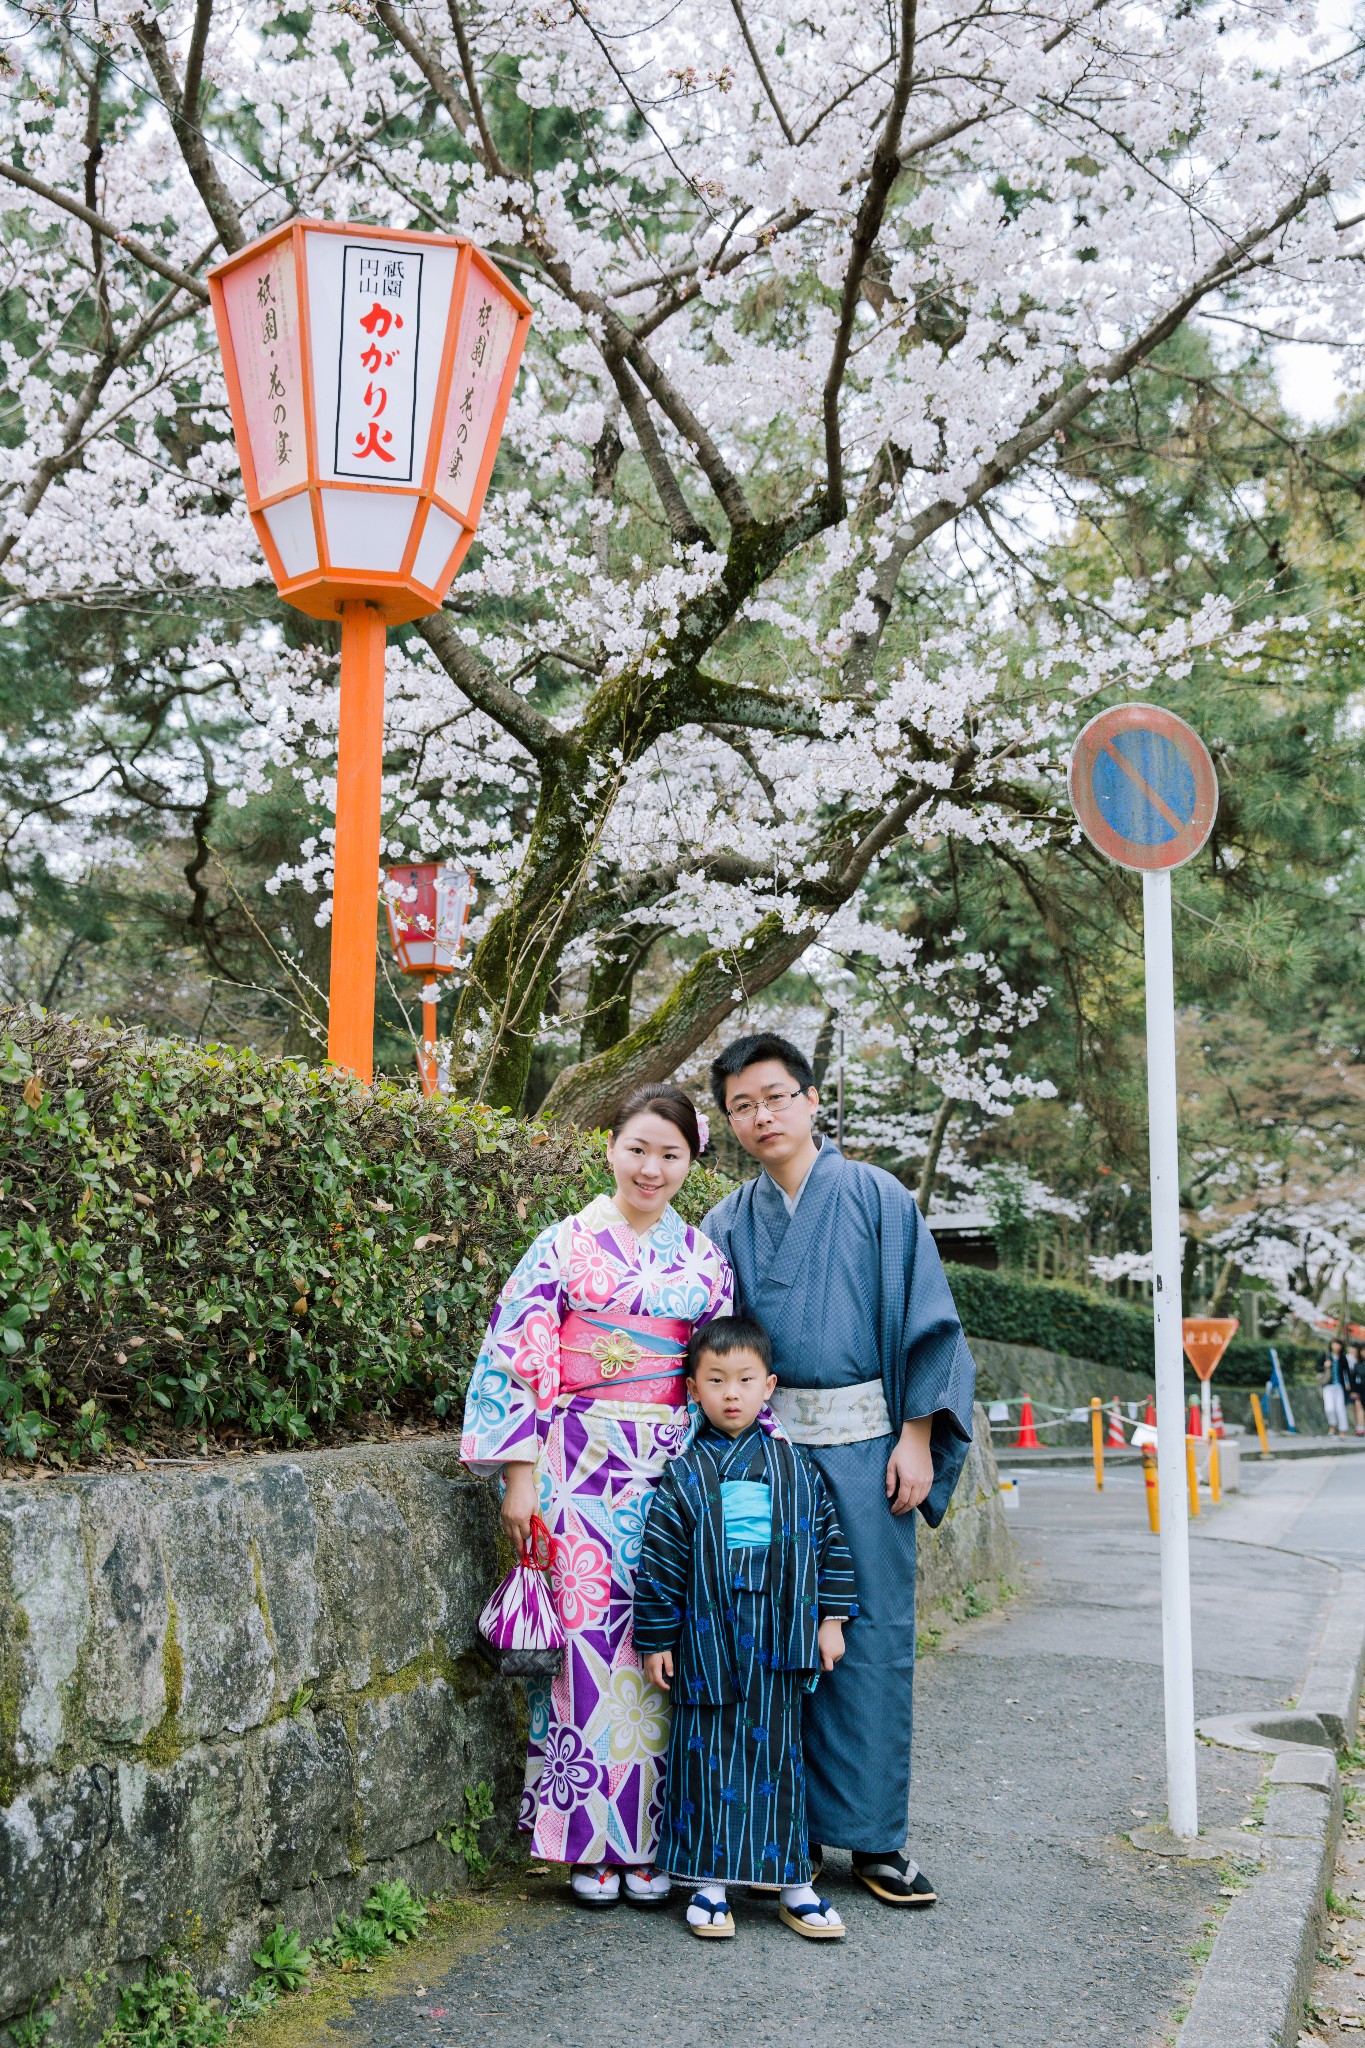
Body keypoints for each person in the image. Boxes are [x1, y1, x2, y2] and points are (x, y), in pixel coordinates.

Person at [702, 1032, 975, 1908]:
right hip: (759, 1462)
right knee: (760, 1635)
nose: (761, 1116)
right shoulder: (725, 1222)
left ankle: (871, 1840)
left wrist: (918, 1436)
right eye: (742, 1105)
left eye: (776, 1096)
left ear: (812, 1099)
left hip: (867, 1452)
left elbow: (931, 1326)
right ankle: (770, 1828)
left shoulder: (877, 1199)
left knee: (870, 1635)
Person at [461, 1083, 732, 1910]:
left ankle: (650, 1842)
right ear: (609, 1146)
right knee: (586, 1651)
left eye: (671, 1154)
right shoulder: (562, 1246)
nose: (651, 1168)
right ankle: (585, 1842)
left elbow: (719, 1374)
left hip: (670, 1470)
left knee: (661, 1649)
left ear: (691, 1162)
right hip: (574, 1464)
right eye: (638, 1148)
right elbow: (517, 1354)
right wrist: (520, 1474)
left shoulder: (705, 1262)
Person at [633, 1315, 858, 1941]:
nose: (731, 1393)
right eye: (716, 1380)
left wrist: (831, 1620)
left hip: (781, 1634)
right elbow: (660, 1561)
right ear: (694, 1388)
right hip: (706, 1634)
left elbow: (829, 1546)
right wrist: (655, 1638)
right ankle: (709, 1884)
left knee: (779, 1757)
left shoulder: (797, 1470)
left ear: (769, 1386)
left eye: (745, 1379)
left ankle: (791, 1881)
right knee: (704, 1753)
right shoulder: (683, 1475)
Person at [1319, 1337, 1350, 1437]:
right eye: (1335, 1343)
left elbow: (1347, 1372)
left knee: (1340, 1408)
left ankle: (1343, 1430)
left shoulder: (1343, 1357)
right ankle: (1333, 1425)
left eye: (1338, 1344)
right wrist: (1325, 1365)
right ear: (1331, 1345)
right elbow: (1317, 1368)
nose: (1336, 1346)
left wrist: (1347, 1384)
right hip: (1328, 1386)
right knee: (1329, 1408)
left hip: (1339, 1387)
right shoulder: (1326, 1355)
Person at [1345, 1344, 1365, 1436]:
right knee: (1359, 1406)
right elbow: (1353, 1379)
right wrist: (1354, 1391)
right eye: (1362, 1351)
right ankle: (1360, 1429)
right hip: (1360, 1390)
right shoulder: (1357, 1365)